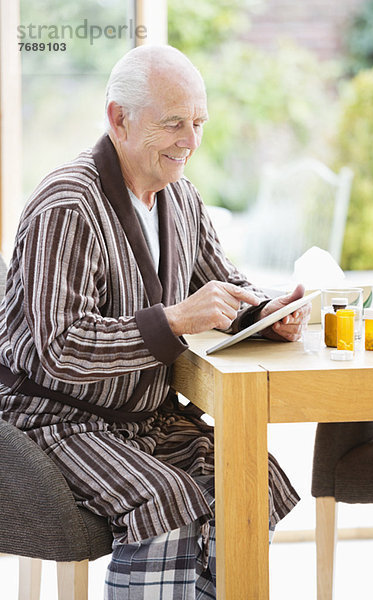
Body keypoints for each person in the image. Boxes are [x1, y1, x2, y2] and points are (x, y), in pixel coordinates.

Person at [0, 45, 310, 598]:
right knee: (171, 499)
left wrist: (269, 315)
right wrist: (174, 320)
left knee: (246, 477)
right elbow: (61, 349)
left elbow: (225, 289)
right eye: (173, 124)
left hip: (146, 420)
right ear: (119, 118)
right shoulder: (66, 206)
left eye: (197, 123)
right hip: (54, 419)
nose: (190, 142)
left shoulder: (181, 198)